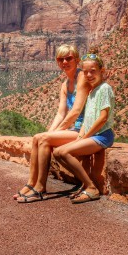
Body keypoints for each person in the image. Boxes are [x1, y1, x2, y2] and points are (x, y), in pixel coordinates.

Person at [14, 44, 91, 203]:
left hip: (85, 129)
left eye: (68, 58)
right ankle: (31, 183)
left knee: (44, 138)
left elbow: (76, 111)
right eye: (60, 59)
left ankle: (40, 188)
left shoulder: (82, 77)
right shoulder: (65, 84)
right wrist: (49, 132)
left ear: (76, 60)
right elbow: (60, 113)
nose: (64, 62)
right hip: (73, 128)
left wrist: (51, 134)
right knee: (38, 137)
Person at [52, 51, 115, 204]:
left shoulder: (104, 88)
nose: (89, 75)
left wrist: (86, 137)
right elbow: (87, 119)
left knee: (65, 152)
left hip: (102, 135)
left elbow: (102, 118)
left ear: (102, 71)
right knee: (58, 152)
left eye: (93, 71)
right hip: (90, 134)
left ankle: (91, 187)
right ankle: (84, 185)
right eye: (85, 72)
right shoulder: (92, 91)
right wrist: (80, 136)